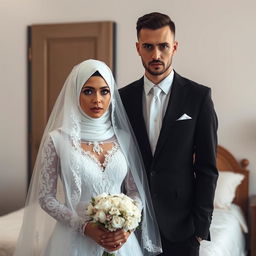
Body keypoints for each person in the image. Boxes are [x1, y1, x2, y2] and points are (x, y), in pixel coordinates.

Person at [13, 59, 162, 256]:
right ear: (76, 93)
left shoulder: (123, 139)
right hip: (72, 240)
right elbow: (45, 198)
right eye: (88, 91)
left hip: (120, 240)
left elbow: (135, 191)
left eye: (104, 91)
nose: (97, 99)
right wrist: (83, 226)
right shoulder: (57, 139)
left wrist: (127, 227)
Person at [119, 12, 218, 256]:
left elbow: (207, 168)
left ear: (174, 47)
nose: (156, 55)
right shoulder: (121, 99)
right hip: (131, 227)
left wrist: (200, 228)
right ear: (137, 48)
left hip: (182, 230)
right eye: (148, 46)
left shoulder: (198, 97)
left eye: (163, 46)